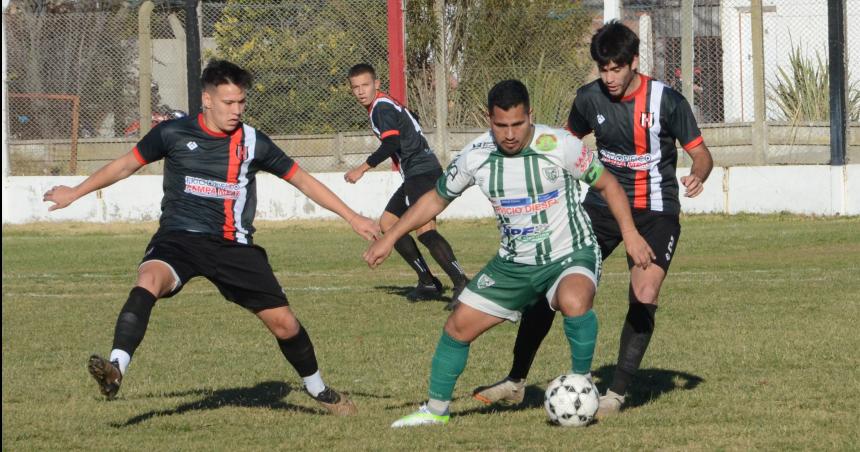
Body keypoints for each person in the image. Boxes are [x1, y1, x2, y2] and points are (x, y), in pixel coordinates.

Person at [43, 59, 380, 416]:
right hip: (179, 237)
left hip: (233, 245)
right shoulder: (172, 133)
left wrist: (351, 216)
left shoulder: (253, 142)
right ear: (207, 99)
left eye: (241, 102)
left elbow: (302, 180)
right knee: (148, 280)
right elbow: (125, 164)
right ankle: (116, 368)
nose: (236, 110)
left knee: (285, 324)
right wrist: (75, 192)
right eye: (228, 103)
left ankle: (319, 390)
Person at [362, 79, 655, 427]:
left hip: (569, 253)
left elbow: (607, 184)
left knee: (574, 300)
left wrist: (631, 234)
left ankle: (581, 388)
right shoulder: (476, 155)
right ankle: (436, 411)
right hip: (513, 264)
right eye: (501, 125)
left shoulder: (560, 145)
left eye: (518, 123)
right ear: (490, 119)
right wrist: (390, 235)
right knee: (457, 326)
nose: (511, 134)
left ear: (530, 115)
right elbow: (435, 199)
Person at [472, 20, 714, 420]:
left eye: (616, 68)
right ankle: (516, 382)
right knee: (552, 286)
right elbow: (563, 147)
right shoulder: (588, 100)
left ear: (634, 62)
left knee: (646, 291)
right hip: (601, 209)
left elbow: (702, 153)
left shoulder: (667, 101)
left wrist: (697, 174)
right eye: (603, 69)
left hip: (657, 212)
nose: (610, 77)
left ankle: (614, 395)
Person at [346, 63, 468, 308]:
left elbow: (391, 143)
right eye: (355, 87)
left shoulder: (380, 108)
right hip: (416, 173)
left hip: (421, 172)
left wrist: (362, 168)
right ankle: (427, 281)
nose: (360, 91)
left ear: (376, 84)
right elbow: (411, 122)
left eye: (365, 85)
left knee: (424, 230)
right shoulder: (385, 104)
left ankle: (462, 284)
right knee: (389, 224)